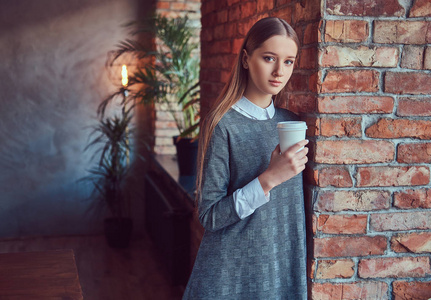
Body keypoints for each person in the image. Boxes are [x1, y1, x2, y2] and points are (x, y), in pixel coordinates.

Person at [182, 17, 308, 299]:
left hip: (281, 272)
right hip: (231, 275)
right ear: (245, 59)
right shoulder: (222, 125)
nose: (279, 71)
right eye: (269, 58)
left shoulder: (294, 123)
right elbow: (210, 215)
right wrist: (269, 179)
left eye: (288, 61)